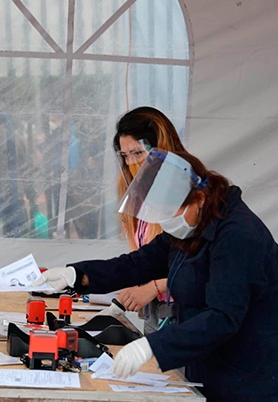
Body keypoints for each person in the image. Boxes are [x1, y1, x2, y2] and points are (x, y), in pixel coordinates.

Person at [33, 149, 278, 401]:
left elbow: (222, 317)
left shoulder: (239, 237)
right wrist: (77, 275)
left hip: (253, 383)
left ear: (199, 198)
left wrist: (153, 346)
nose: (165, 221)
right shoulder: (192, 227)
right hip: (210, 372)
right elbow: (136, 264)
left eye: (169, 211)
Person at [112, 107, 187, 331]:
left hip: (184, 313)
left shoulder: (186, 193)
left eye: (137, 153)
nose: (131, 163)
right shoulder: (142, 194)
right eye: (125, 156)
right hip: (156, 312)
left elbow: (202, 269)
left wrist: (154, 287)